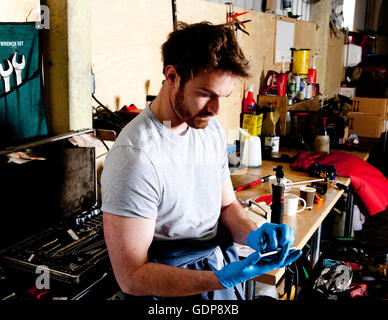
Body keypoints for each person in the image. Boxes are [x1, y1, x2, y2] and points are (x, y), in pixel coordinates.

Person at [101, 21, 301, 300]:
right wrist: (219, 279)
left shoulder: (207, 129)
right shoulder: (135, 158)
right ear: (172, 76)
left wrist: (254, 236)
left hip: (214, 265)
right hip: (167, 288)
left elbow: (226, 204)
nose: (216, 109)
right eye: (205, 94)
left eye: (223, 96)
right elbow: (133, 277)